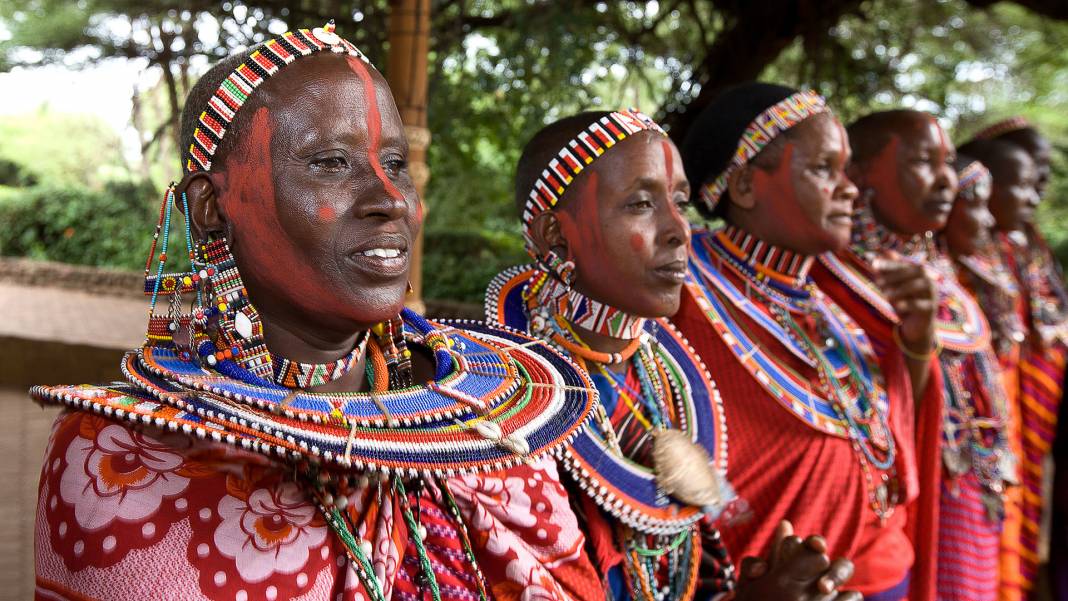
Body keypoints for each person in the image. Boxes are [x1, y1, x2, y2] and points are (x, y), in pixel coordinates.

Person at [30, 22, 607, 601]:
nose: (391, 199)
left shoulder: (492, 432)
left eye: (397, 163)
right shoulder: (121, 463)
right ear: (210, 206)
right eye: (332, 162)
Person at [485, 109, 861, 600]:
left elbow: (694, 549)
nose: (679, 230)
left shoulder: (660, 378)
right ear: (555, 236)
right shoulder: (499, 410)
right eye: (641, 204)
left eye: (680, 201)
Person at [674, 82, 933, 601]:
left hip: (883, 572)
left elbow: (894, 435)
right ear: (745, 186)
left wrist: (918, 343)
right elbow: (653, 440)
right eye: (823, 169)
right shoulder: (679, 294)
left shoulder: (838, 304)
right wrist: (733, 513)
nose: (850, 189)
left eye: (846, 171)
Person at [811, 109, 1015, 601]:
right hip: (901, 507)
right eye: (925, 161)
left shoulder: (939, 270)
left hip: (971, 492)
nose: (946, 179)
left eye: (948, 162)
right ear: (859, 176)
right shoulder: (829, 280)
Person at [963, 125, 1068, 596]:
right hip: (984, 424)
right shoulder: (969, 254)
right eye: (1026, 176)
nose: (1037, 189)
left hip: (1023, 414)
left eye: (1041, 176)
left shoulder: (1027, 246)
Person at [940, 156, 1028, 600]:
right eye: (975, 203)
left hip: (986, 471)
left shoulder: (971, 282)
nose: (989, 220)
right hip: (950, 481)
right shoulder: (924, 287)